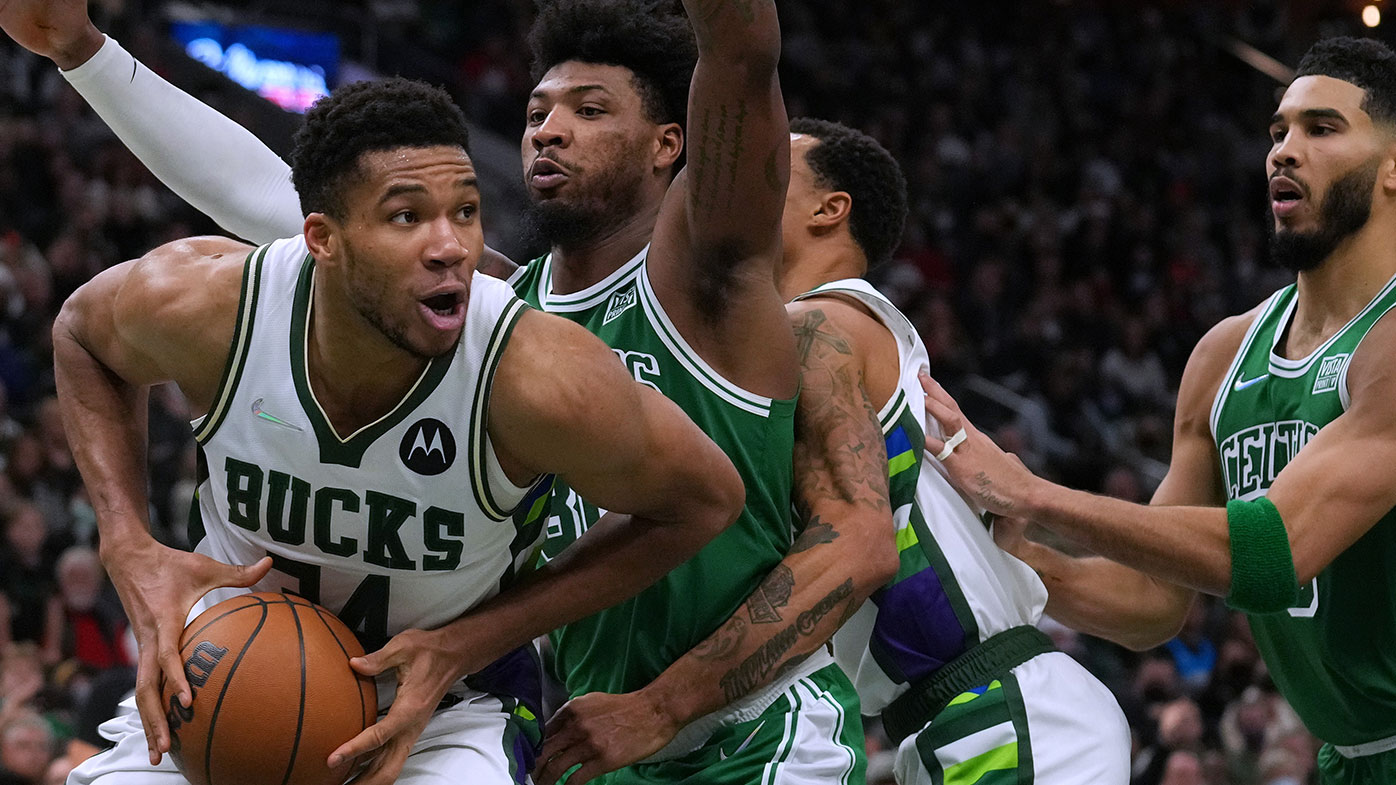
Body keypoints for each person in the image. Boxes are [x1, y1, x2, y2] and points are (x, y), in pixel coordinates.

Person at [0, 0, 872, 781]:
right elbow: (269, 195)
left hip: (744, 725)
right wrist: (83, 52)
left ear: (669, 145)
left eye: (589, 110)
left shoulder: (707, 277)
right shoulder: (488, 310)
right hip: (594, 730)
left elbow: (740, 54)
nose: (549, 130)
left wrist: (663, 704)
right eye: (536, 112)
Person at [541, 119, 1130, 783]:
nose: (742, 183)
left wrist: (658, 705)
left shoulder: (819, 323)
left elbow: (859, 547)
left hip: (998, 708)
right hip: (955, 716)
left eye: (772, 170)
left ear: (830, 209)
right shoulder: (814, 341)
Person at [917, 37, 1396, 784]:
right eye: (1278, 131)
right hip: (1348, 757)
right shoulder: (1225, 354)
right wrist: (1019, 560)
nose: (1283, 150)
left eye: (1322, 128)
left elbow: (1276, 552)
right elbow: (1151, 601)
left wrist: (1032, 493)